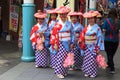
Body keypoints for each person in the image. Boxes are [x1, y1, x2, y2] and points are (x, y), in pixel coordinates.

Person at [79, 10, 104, 78]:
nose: (90, 20)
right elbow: (82, 35)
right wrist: (81, 40)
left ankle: (93, 72)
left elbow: (100, 38)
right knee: (87, 59)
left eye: (92, 18)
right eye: (89, 19)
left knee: (93, 60)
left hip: (94, 46)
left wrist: (98, 47)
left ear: (95, 19)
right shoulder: (86, 28)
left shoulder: (98, 28)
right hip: (87, 46)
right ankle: (87, 72)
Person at [50, 6, 73, 78]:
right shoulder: (57, 24)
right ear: (59, 15)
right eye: (61, 14)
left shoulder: (69, 24)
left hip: (68, 43)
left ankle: (65, 71)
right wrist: (55, 44)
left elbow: (72, 34)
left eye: (65, 14)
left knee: (66, 57)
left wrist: (72, 42)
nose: (63, 16)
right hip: (60, 43)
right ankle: (59, 72)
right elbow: (54, 35)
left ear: (67, 15)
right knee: (60, 58)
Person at [102, 8, 120, 74]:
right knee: (112, 54)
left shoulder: (107, 21)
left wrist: (106, 30)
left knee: (109, 54)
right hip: (116, 40)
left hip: (108, 40)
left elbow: (103, 29)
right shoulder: (118, 21)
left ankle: (112, 68)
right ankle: (109, 64)